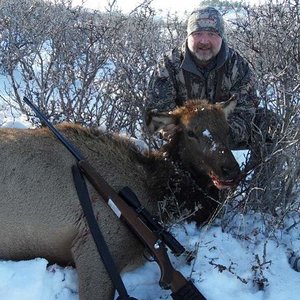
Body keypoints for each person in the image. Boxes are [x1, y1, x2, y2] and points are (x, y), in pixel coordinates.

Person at [144, 6, 266, 154]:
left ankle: (260, 176)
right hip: (187, 141)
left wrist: (218, 132)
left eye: (211, 34)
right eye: (198, 33)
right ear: (188, 36)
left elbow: (245, 110)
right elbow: (156, 111)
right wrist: (168, 128)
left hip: (224, 138)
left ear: (221, 37)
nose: (204, 41)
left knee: (269, 121)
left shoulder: (237, 65)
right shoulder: (169, 64)